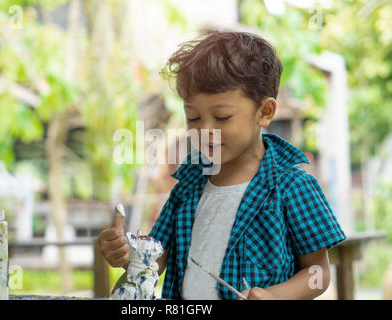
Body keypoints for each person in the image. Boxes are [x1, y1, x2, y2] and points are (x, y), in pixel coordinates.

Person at [98, 30, 346, 300]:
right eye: (193, 117)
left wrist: (275, 296)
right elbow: (154, 262)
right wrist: (127, 254)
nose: (206, 130)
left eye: (222, 117)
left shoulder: (293, 186)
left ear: (264, 112)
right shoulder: (187, 188)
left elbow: (319, 274)